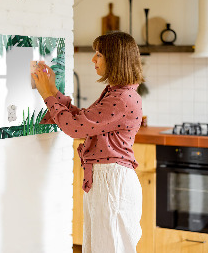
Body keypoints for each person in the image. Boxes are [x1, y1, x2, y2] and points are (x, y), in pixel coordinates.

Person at [32, 31, 144, 253]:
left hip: (112, 182)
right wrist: (53, 91)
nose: (93, 59)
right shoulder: (117, 93)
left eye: (99, 54)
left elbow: (75, 128)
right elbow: (83, 120)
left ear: (115, 59)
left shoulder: (121, 98)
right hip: (107, 180)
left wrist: (47, 95)